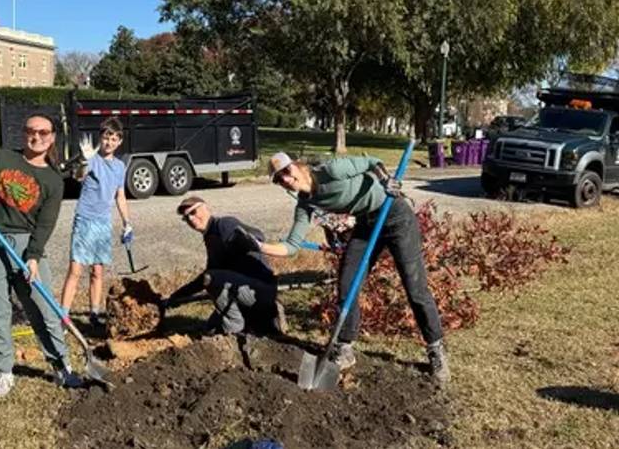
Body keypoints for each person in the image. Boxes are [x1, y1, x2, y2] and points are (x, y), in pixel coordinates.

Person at [258, 152, 450, 384]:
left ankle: (436, 348)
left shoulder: (331, 171)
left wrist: (384, 179)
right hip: (366, 225)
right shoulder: (305, 204)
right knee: (347, 284)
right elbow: (291, 246)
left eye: (287, 172)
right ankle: (345, 348)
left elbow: (371, 161)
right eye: (279, 179)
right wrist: (258, 246)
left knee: (414, 286)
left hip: (396, 215)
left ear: (297, 166)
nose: (286, 180)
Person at [0, 113, 82, 397]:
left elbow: (46, 223)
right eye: (30, 131)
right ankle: (4, 371)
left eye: (43, 132)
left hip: (27, 246)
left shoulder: (53, 179)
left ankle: (62, 366)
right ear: (23, 133)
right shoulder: (2, 158)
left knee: (45, 309)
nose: (36, 136)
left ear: (52, 137)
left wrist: (34, 256)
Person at [162, 196, 286, 337]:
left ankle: (235, 328)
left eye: (193, 212)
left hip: (259, 290)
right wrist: (176, 296)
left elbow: (259, 236)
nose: (190, 219)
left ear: (205, 208)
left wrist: (248, 240)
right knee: (211, 328)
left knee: (213, 279)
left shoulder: (224, 225)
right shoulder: (210, 237)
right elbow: (205, 277)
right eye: (186, 218)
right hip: (242, 290)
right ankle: (249, 320)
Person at [60, 118, 133, 327]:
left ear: (119, 142)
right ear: (100, 138)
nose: (108, 142)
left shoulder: (120, 166)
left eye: (113, 139)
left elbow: (120, 195)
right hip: (85, 219)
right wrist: (84, 161)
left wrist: (127, 223)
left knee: (97, 271)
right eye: (105, 137)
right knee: (75, 270)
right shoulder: (92, 159)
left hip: (103, 222)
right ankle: (63, 317)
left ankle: (94, 314)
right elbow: (79, 177)